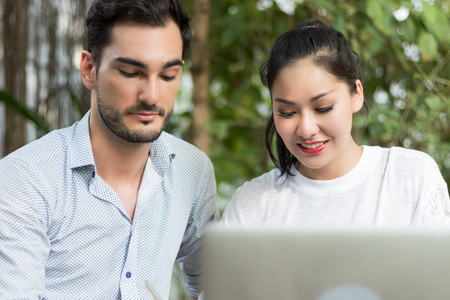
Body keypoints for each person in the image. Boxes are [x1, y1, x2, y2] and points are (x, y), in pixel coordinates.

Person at [0, 0, 217, 299]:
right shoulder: (25, 179)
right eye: (130, 72)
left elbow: (214, 285)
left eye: (168, 75)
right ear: (89, 69)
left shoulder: (193, 170)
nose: (151, 96)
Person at [222, 20, 450, 227]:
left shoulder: (409, 177)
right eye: (288, 112)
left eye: (323, 108)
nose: (307, 129)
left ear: (356, 95)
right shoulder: (250, 206)